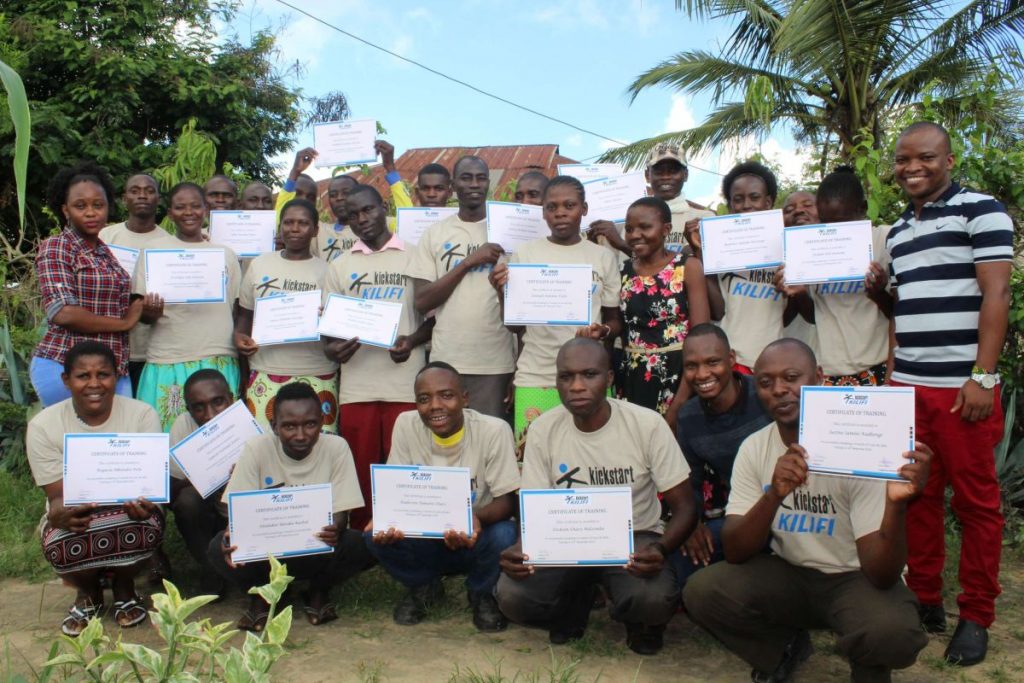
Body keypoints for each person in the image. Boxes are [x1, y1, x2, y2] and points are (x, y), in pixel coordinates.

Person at [683, 339, 930, 683]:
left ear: (819, 377)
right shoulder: (755, 448)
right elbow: (737, 551)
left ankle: (868, 662)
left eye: (792, 377)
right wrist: (774, 495)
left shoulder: (862, 445)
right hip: (791, 573)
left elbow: (881, 575)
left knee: (891, 633)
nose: (780, 390)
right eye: (766, 383)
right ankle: (784, 648)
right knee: (703, 590)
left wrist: (896, 505)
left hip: (854, 578)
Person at [885, 121, 1013, 665]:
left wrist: (983, 377)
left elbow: (997, 291)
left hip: (963, 392)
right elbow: (902, 312)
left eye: (926, 158)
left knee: (978, 504)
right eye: (903, 159)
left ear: (950, 159)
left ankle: (977, 614)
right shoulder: (894, 232)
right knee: (918, 498)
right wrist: (893, 380)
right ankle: (927, 599)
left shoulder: (980, 210)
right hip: (908, 388)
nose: (913, 167)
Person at [496, 338, 697, 655]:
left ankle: (638, 620)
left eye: (589, 374)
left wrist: (661, 548)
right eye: (566, 376)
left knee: (653, 599)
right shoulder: (543, 430)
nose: (576, 386)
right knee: (512, 595)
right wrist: (523, 548)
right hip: (563, 540)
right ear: (557, 381)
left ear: (610, 379)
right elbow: (533, 510)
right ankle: (572, 606)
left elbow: (685, 507)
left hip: (635, 537)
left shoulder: (646, 425)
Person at [365, 362, 519, 631]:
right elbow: (395, 492)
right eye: (424, 399)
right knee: (372, 534)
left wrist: (473, 518)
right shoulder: (405, 425)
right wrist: (386, 518)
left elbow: (507, 502)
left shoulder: (493, 430)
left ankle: (481, 592)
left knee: (506, 533)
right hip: (425, 539)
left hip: (474, 537)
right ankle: (423, 585)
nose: (435, 406)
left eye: (446, 395)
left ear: (465, 398)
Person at [26, 341, 164, 635]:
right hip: (79, 509)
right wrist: (59, 513)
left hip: (129, 507)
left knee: (147, 523)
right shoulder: (43, 426)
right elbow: (58, 497)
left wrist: (145, 502)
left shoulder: (142, 414)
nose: (94, 384)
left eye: (103, 374)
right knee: (59, 537)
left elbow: (146, 483)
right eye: (82, 376)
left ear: (116, 377)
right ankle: (88, 593)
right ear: (66, 380)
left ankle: (125, 588)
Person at [210, 382, 374, 630]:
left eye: (310, 424)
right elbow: (237, 511)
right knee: (218, 548)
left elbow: (342, 511)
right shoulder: (256, 447)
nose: (300, 434)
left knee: (360, 544)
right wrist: (232, 533)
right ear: (274, 426)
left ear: (321, 422)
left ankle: (318, 590)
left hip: (316, 546)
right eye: (289, 426)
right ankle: (262, 593)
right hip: (268, 551)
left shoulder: (337, 447)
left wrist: (336, 527)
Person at [323, 186, 433, 529]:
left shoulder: (415, 256)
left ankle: (405, 524)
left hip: (405, 380)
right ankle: (363, 532)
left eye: (368, 210)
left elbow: (432, 318)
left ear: (383, 207)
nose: (362, 220)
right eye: (353, 215)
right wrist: (333, 349)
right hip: (358, 383)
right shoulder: (340, 266)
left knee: (404, 459)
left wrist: (411, 341)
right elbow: (329, 331)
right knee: (361, 462)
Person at [489, 175, 621, 439]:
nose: (560, 213)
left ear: (583, 209)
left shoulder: (603, 257)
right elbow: (515, 327)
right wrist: (502, 292)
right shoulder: (525, 254)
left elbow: (615, 320)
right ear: (544, 212)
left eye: (569, 205)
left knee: (592, 456)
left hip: (588, 377)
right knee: (532, 459)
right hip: (537, 375)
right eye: (552, 207)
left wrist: (602, 331)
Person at [407, 155, 516, 419]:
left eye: (481, 178)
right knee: (446, 445)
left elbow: (525, 307)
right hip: (447, 360)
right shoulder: (435, 233)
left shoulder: (509, 229)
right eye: (466, 178)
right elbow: (422, 301)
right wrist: (468, 262)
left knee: (491, 443)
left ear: (488, 183)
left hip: (495, 362)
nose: (474, 184)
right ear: (453, 185)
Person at [133, 182, 242, 431]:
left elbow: (235, 308)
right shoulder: (153, 252)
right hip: (169, 357)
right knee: (170, 438)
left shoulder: (224, 254)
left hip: (217, 357)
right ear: (170, 213)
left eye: (195, 206)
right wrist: (150, 311)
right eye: (180, 207)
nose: (189, 212)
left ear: (205, 209)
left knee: (221, 442)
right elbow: (142, 315)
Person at [32, 162, 141, 406]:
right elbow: (63, 312)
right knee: (72, 442)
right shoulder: (58, 246)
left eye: (98, 205)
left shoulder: (105, 253)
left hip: (113, 367)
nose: (91, 212)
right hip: (67, 367)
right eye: (80, 206)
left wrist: (141, 304)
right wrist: (124, 323)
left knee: (117, 440)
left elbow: (113, 302)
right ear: (66, 210)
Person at [777, 169, 892, 386]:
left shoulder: (884, 240)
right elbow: (815, 316)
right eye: (827, 221)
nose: (835, 230)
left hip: (878, 365)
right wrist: (800, 294)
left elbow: (900, 313)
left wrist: (878, 293)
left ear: (863, 209)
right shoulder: (813, 249)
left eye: (842, 221)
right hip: (829, 370)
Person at [674, 324, 770, 582]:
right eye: (691, 366)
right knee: (681, 559)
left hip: (790, 511)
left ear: (731, 360)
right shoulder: (689, 417)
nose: (702, 374)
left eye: (712, 362)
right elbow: (689, 481)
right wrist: (691, 525)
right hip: (740, 515)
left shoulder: (764, 396)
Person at [234, 198, 339, 433]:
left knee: (316, 449)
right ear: (280, 227)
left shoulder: (329, 271)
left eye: (303, 223)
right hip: (266, 371)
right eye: (288, 222)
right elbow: (244, 317)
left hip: (317, 373)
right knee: (263, 446)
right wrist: (239, 337)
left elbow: (337, 328)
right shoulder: (260, 265)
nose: (294, 228)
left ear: (315, 229)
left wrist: (327, 319)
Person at [618, 196, 709, 419]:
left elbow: (701, 338)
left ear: (666, 229)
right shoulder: (623, 270)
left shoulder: (688, 267)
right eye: (629, 229)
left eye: (645, 227)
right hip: (632, 375)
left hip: (678, 375)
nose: (635, 235)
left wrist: (678, 404)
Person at [704, 161, 791, 373]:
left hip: (772, 359)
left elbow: (792, 313)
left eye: (754, 197)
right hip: (731, 359)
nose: (746, 205)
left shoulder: (787, 245)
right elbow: (717, 311)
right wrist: (701, 255)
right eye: (738, 199)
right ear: (730, 204)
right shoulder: (717, 245)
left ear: (768, 202)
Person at [168, 368, 237, 597]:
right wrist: (194, 478)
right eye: (199, 407)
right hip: (207, 510)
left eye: (218, 402)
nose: (209, 414)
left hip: (241, 510)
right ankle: (211, 567)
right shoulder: (183, 425)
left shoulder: (250, 423)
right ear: (188, 409)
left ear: (232, 398)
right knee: (187, 501)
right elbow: (170, 491)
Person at [99, 173, 165, 395]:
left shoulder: (168, 243)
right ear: (124, 198)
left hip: (148, 350)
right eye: (135, 191)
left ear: (158, 198)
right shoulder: (105, 237)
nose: (142, 196)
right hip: (107, 345)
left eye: (149, 190)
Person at [645, 143, 715, 254]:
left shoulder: (704, 219)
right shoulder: (634, 222)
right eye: (659, 171)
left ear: (686, 175)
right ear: (647, 175)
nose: (666, 177)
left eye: (673, 171)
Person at [778, 189, 821, 355]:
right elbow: (783, 319)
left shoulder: (837, 252)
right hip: (786, 351)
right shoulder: (775, 257)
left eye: (808, 205)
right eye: (788, 210)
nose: (798, 210)